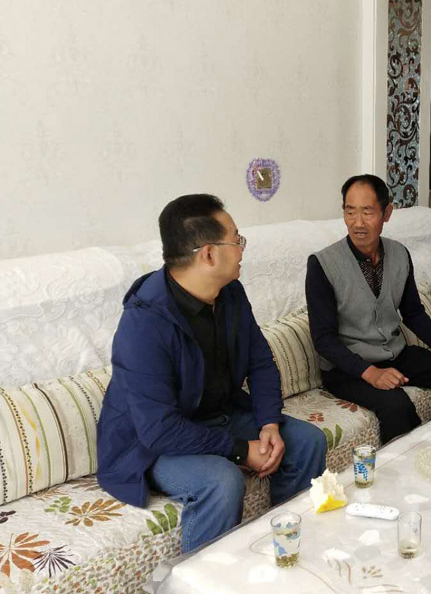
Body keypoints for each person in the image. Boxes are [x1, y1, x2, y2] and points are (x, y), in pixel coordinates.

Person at [97, 194, 327, 553]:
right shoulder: (143, 323)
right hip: (155, 442)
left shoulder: (230, 292)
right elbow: (159, 430)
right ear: (208, 254)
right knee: (221, 481)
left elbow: (260, 361)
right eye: (237, 240)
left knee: (307, 440)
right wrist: (240, 451)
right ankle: (202, 578)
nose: (242, 249)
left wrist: (269, 423)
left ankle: (284, 549)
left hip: (220, 415)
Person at [306, 175, 431, 443]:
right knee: (397, 406)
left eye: (367, 212)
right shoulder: (322, 264)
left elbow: (413, 311)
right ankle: (409, 462)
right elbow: (323, 340)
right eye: (350, 212)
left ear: (386, 213)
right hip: (347, 369)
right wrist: (371, 373)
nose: (358, 223)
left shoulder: (399, 254)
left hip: (395, 353)